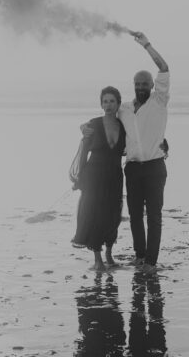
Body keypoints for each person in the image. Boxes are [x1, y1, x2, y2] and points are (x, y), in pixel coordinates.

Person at [84, 31, 170, 274]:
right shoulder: (124, 109)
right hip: (132, 169)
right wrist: (86, 126)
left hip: (154, 167)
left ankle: (151, 263)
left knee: (153, 217)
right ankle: (140, 257)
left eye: (145, 83)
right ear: (133, 86)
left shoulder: (159, 101)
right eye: (137, 84)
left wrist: (147, 45)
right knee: (134, 217)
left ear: (152, 85)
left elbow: (163, 66)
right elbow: (106, 118)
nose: (141, 86)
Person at [71, 86, 127, 270]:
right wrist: (80, 176)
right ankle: (97, 259)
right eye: (105, 101)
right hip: (94, 175)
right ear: (101, 104)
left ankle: (109, 254)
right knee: (95, 214)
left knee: (113, 215)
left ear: (118, 103)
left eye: (112, 101)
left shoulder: (123, 126)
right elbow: (84, 151)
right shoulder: (93, 125)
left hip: (115, 175)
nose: (108, 105)